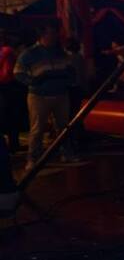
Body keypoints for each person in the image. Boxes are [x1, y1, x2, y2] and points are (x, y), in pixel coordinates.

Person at [14, 22, 77, 170]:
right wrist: (33, 82)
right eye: (51, 33)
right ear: (42, 35)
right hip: (39, 96)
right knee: (37, 129)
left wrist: (69, 80)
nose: (54, 36)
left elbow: (70, 69)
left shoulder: (60, 52)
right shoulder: (30, 53)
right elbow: (17, 72)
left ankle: (66, 153)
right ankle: (33, 158)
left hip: (61, 94)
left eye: (55, 33)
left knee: (64, 127)